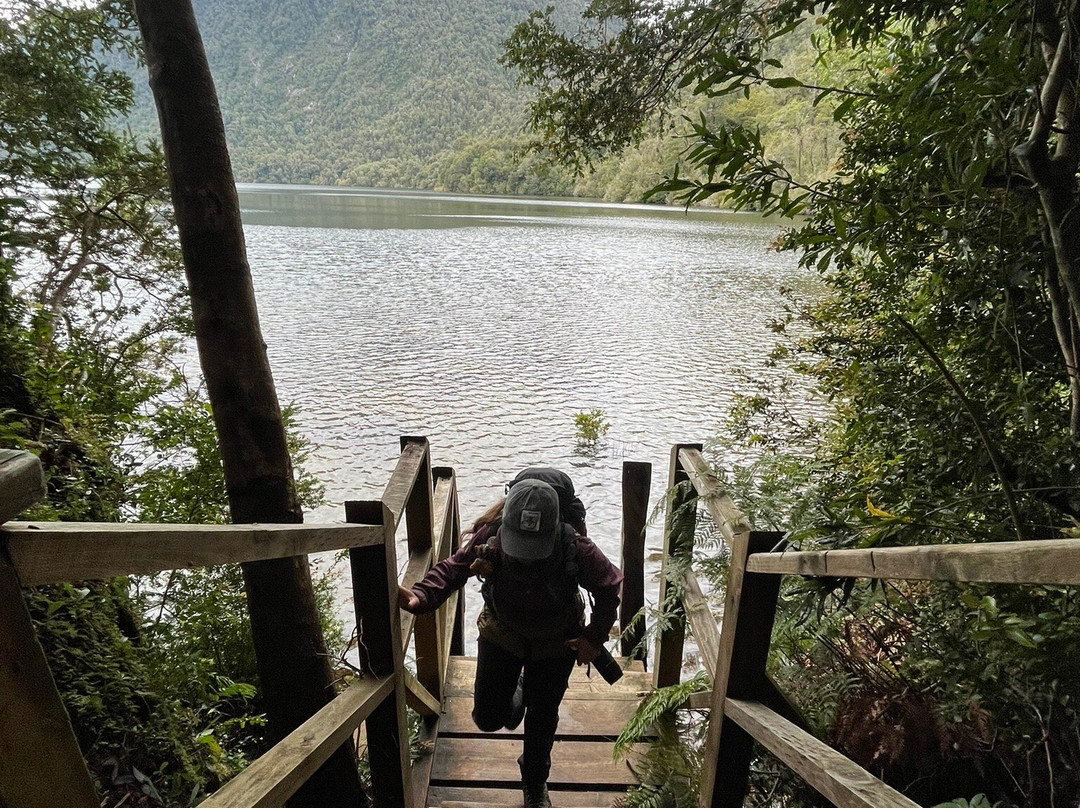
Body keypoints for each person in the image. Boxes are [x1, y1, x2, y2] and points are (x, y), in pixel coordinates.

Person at [397, 468, 623, 808]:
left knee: (543, 715)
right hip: (502, 632)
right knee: (487, 719)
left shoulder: (575, 546)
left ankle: (534, 783)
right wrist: (421, 596)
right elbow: (454, 568)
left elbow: (609, 588)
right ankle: (518, 688)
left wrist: (593, 637)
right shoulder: (490, 535)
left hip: (556, 641)